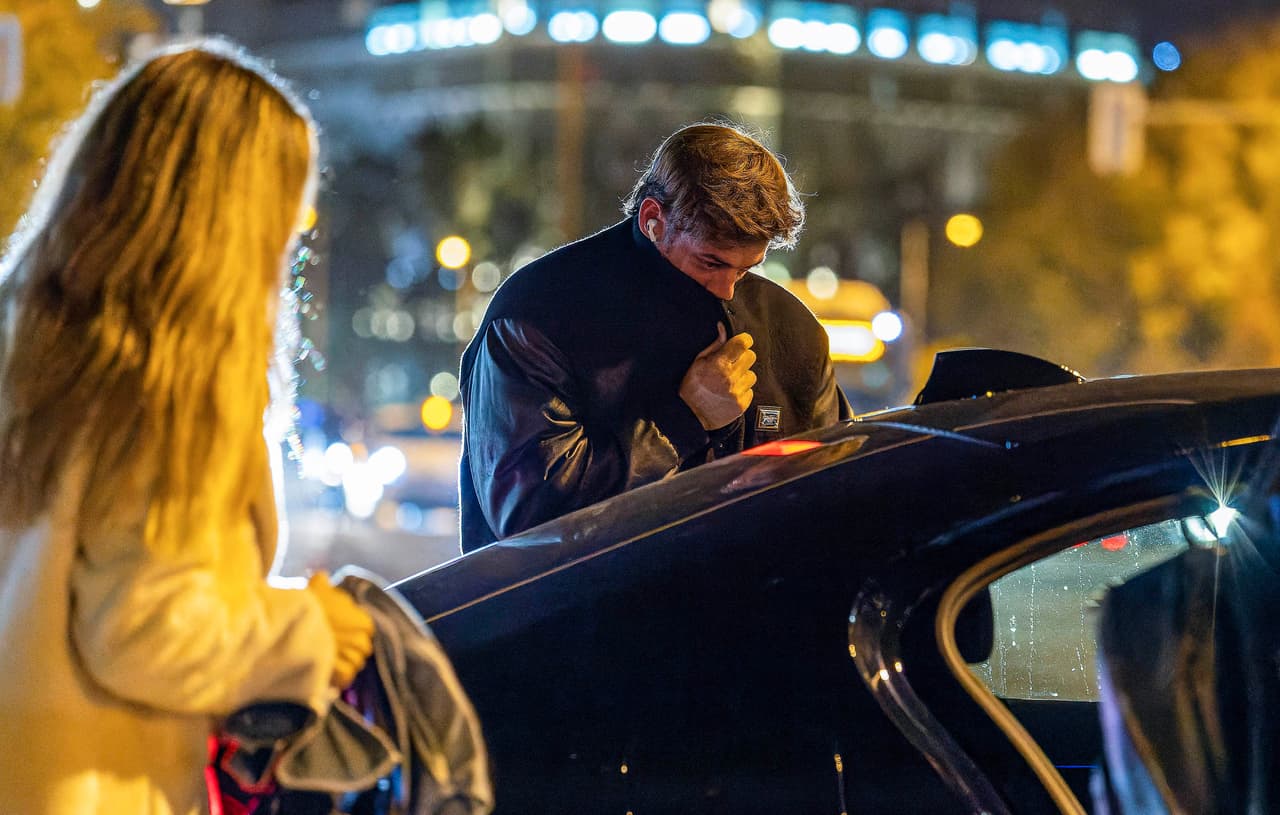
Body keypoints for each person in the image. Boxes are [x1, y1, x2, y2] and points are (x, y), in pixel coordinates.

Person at [0, 42, 374, 815]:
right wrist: (311, 629)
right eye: (285, 213)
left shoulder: (26, 334)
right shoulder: (169, 382)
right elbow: (144, 627)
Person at [459, 122, 851, 553]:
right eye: (711, 262)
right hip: (576, 618)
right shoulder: (541, 315)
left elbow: (837, 492)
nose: (728, 290)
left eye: (746, 268)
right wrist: (682, 421)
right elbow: (530, 521)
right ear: (652, 219)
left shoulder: (792, 329)